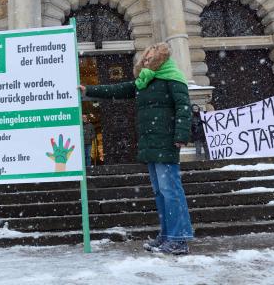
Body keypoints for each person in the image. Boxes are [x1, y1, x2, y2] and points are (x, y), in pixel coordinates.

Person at [79, 42, 193, 255]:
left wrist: (181, 135)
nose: (146, 61)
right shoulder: (145, 81)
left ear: (160, 59)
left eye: (149, 58)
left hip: (166, 141)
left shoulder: (173, 78)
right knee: (160, 193)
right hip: (150, 142)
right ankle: (167, 235)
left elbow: (183, 107)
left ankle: (178, 239)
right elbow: (119, 89)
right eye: (145, 59)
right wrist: (89, 90)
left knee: (171, 191)